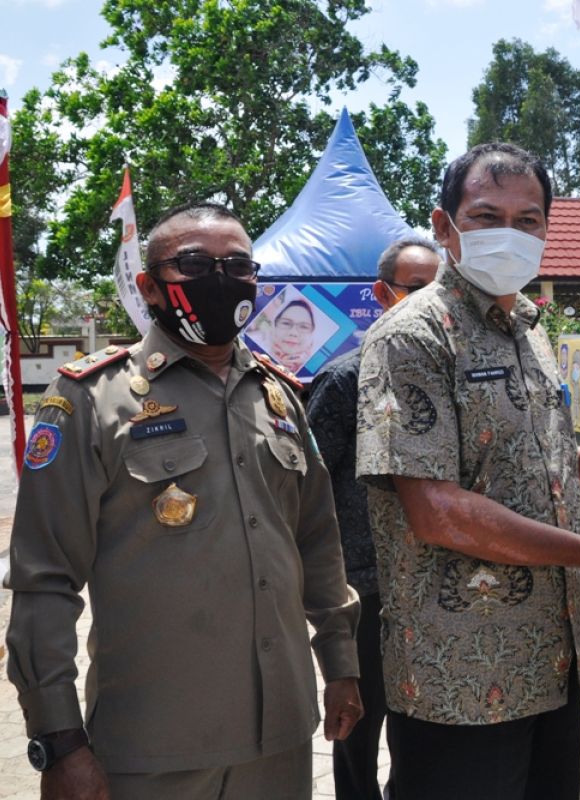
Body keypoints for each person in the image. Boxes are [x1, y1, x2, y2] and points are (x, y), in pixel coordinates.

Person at [355, 142, 580, 800]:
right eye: (485, 216)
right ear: (444, 225)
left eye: (528, 218)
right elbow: (437, 510)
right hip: (456, 678)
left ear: (546, 229)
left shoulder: (530, 329)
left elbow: (532, 471)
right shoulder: (413, 337)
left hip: (549, 660)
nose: (509, 232)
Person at [5, 202, 363, 799]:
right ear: (149, 286)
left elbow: (318, 543)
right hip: (152, 744)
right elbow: (44, 580)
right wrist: (59, 740)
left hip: (279, 734)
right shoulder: (91, 400)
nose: (221, 279)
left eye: (238, 265)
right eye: (194, 264)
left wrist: (341, 662)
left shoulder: (279, 399)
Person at [307, 234, 440, 800]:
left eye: (442, 289)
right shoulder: (343, 380)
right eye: (417, 289)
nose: (432, 302)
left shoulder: (448, 376)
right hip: (364, 590)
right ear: (382, 294)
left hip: (436, 584)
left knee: (426, 728)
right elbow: (306, 488)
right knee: (358, 729)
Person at [271, 297, 317, 373]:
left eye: (304, 327)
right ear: (275, 325)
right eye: (286, 323)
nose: (293, 333)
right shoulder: (255, 356)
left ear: (312, 332)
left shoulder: (315, 370)